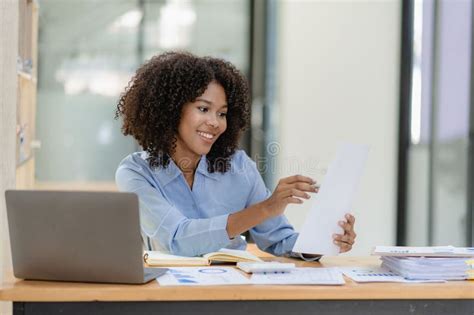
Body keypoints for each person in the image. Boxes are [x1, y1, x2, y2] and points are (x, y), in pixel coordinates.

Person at [115, 51, 356, 259]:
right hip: (165, 297)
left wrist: (323, 241)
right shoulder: (135, 174)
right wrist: (265, 207)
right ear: (169, 110)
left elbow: (279, 240)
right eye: (203, 109)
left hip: (233, 293)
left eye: (222, 113)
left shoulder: (239, 167)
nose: (215, 123)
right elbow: (178, 240)